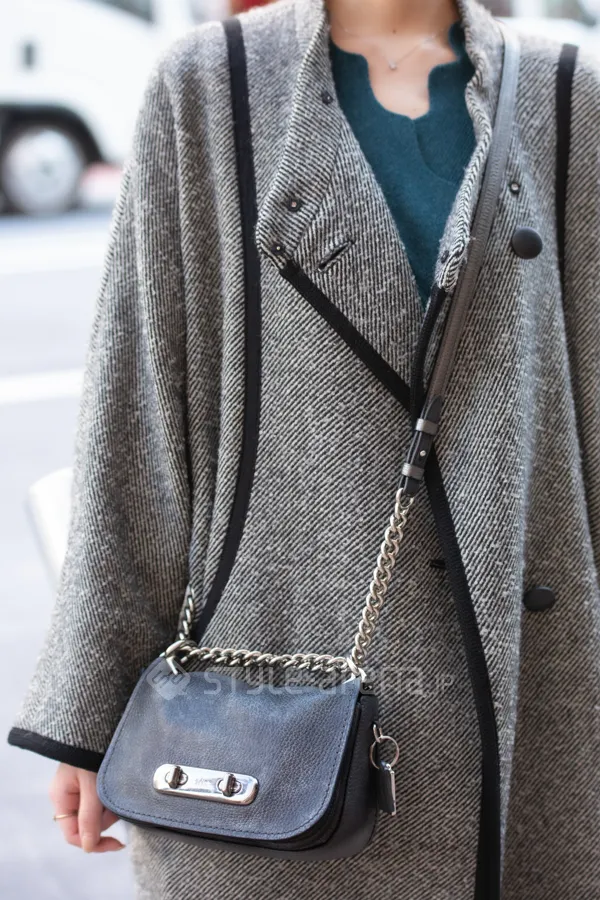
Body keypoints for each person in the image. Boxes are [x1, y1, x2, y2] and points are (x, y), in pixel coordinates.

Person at [7, 0, 600, 897]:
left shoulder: (566, 97)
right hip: (272, 683)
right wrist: (89, 711)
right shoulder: (211, 88)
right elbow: (139, 408)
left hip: (531, 682)